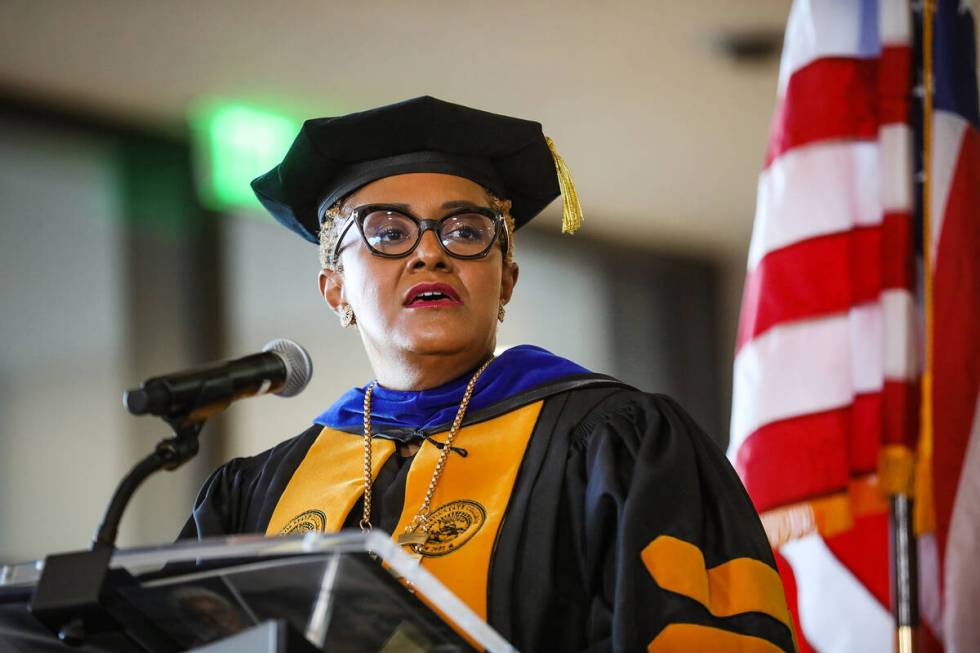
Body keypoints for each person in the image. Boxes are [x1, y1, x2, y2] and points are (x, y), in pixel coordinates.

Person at [180, 96, 797, 652]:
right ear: (334, 288)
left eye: (466, 232)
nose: (430, 252)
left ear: (505, 279)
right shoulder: (256, 493)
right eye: (389, 232)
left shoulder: (619, 445)